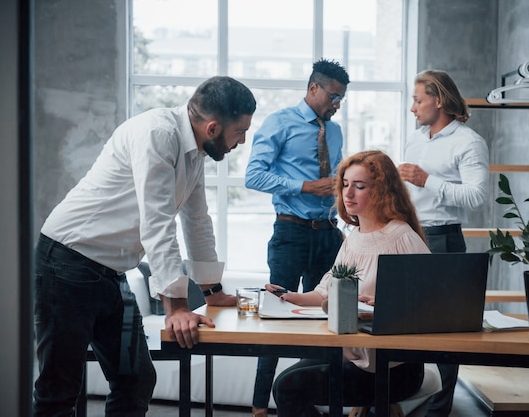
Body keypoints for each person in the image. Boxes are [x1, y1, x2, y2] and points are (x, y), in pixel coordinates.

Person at [33, 76, 256, 416]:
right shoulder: (158, 134)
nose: (241, 141)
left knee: (135, 380)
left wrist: (212, 292)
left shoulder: (194, 152)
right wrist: (177, 308)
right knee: (58, 390)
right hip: (66, 263)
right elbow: (158, 222)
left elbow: (197, 221)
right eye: (240, 132)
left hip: (110, 272)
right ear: (212, 128)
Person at [269, 150, 431, 416]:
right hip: (354, 356)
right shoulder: (353, 236)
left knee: (288, 387)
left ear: (382, 191)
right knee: (284, 385)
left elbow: (432, 300)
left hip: (392, 368)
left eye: (359, 186)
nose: (348, 194)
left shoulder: (401, 236)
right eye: (345, 184)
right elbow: (327, 288)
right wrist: (289, 296)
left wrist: (387, 304)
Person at [244, 59, 350, 417]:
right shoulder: (280, 123)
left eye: (341, 99)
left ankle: (319, 402)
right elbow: (253, 176)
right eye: (333, 96)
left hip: (329, 235)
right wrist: (303, 186)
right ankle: (260, 405)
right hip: (290, 233)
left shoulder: (334, 132)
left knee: (331, 316)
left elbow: (334, 177)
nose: (337, 104)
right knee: (275, 315)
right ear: (313, 88)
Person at [398, 69, 489, 417]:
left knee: (444, 330)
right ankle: (406, 402)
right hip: (411, 236)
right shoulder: (415, 139)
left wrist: (427, 180)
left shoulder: (468, 141)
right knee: (405, 324)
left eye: (418, 99)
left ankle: (438, 411)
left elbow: (477, 196)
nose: (413, 108)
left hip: (444, 240)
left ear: (439, 100)